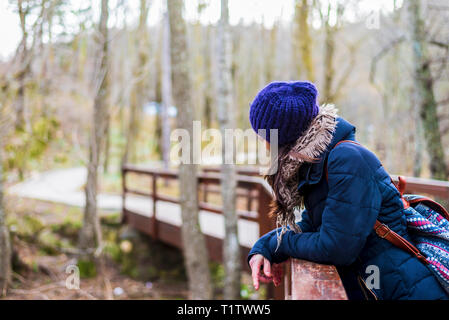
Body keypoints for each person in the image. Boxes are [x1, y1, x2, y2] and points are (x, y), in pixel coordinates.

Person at [247, 81, 448, 300]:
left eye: (266, 137)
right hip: (375, 283)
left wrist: (284, 244)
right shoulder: (318, 161)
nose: (265, 145)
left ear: (284, 136)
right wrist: (267, 247)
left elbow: (335, 247)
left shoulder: (346, 161)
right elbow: (313, 225)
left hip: (402, 288)